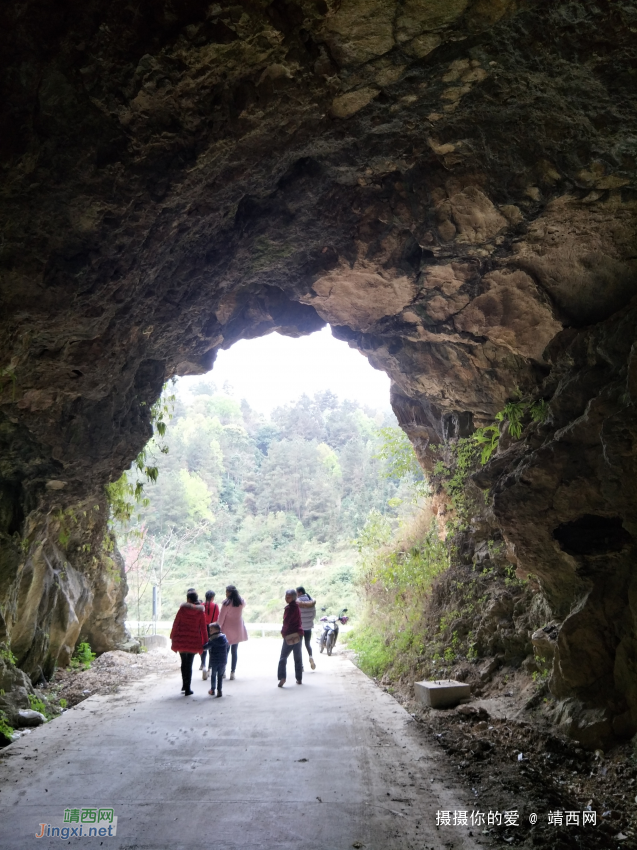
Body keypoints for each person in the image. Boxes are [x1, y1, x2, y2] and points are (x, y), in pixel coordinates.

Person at [170, 590, 207, 696]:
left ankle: (184, 684)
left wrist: (172, 635)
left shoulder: (182, 609)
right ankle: (188, 688)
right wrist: (205, 641)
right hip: (193, 639)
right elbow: (203, 628)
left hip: (182, 638)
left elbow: (176, 623)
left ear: (188, 599)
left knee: (183, 662)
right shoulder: (200, 612)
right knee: (189, 663)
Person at [217, 584, 248, 680]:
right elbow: (244, 602)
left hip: (227, 629)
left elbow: (221, 618)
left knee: (225, 651)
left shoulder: (226, 603)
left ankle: (223, 672)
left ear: (230, 593)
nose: (226, 593)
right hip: (237, 628)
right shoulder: (241, 602)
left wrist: (217, 629)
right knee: (234, 651)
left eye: (227, 592)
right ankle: (233, 672)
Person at [277, 588, 304, 687]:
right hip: (298, 634)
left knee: (283, 657)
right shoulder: (297, 606)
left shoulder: (288, 609)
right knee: (298, 657)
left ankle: (282, 677)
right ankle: (299, 678)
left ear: (293, 598)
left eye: (288, 597)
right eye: (286, 597)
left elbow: (286, 623)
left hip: (289, 635)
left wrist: (283, 633)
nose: (286, 599)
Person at [203, 622, 229, 698]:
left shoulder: (213, 640)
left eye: (211, 630)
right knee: (220, 676)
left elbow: (205, 647)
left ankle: (212, 689)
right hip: (223, 661)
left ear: (216, 630)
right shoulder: (224, 639)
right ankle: (219, 691)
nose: (209, 631)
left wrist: (201, 647)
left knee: (213, 675)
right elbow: (227, 647)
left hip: (214, 661)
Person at [296, 586, 317, 671]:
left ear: (300, 592)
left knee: (299, 646)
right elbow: (314, 615)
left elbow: (296, 615)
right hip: (308, 627)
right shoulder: (311, 601)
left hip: (300, 627)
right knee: (307, 643)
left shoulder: (298, 602)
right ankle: (310, 656)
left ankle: (301, 666)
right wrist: (309, 621)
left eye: (297, 592)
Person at [200, 590, 219, 674]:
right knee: (211, 648)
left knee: (203, 647)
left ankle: (203, 665)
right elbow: (217, 618)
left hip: (202, 628)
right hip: (212, 629)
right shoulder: (215, 606)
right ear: (212, 597)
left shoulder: (201, 606)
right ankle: (209, 668)